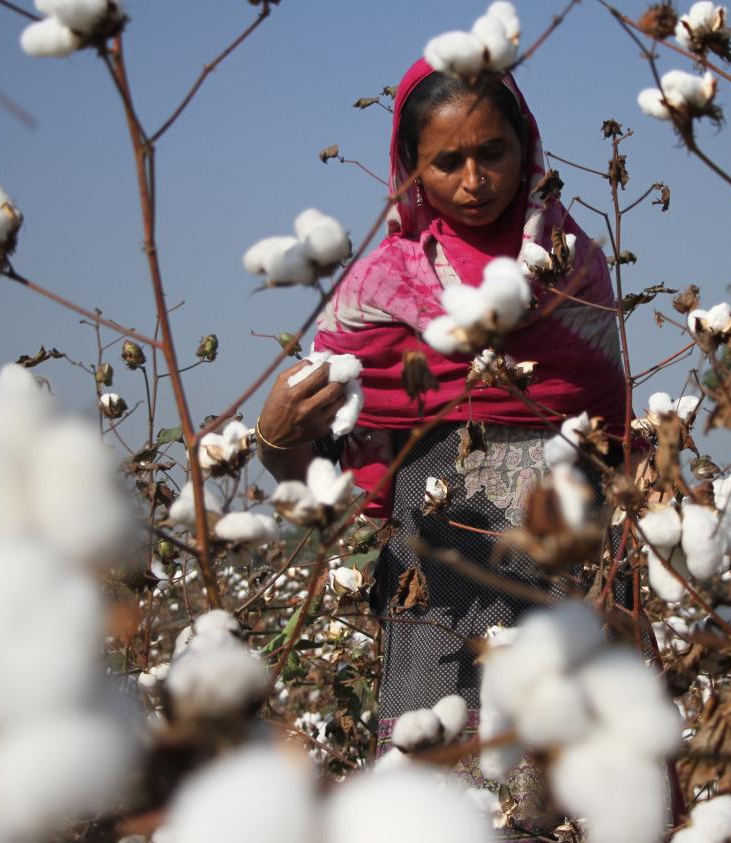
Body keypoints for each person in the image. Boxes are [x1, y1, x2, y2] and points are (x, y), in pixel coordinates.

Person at [256, 59, 630, 836]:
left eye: (492, 152)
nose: (473, 180)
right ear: (410, 170)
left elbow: (613, 437)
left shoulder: (572, 267)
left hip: (566, 572)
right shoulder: (374, 290)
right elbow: (321, 475)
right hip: (435, 587)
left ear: (527, 149)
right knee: (432, 798)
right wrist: (273, 440)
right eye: (447, 161)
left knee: (564, 795)